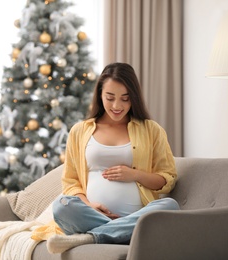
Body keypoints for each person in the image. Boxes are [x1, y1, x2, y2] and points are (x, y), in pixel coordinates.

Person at [46, 62, 180, 254]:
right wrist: (89, 205)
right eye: (110, 98)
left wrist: (135, 174)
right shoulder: (80, 131)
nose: (117, 106)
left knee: (170, 206)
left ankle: (91, 237)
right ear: (100, 95)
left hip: (138, 215)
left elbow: (168, 179)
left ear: (134, 98)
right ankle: (123, 232)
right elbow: (70, 182)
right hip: (93, 215)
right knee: (61, 206)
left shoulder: (152, 130)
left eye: (125, 99)